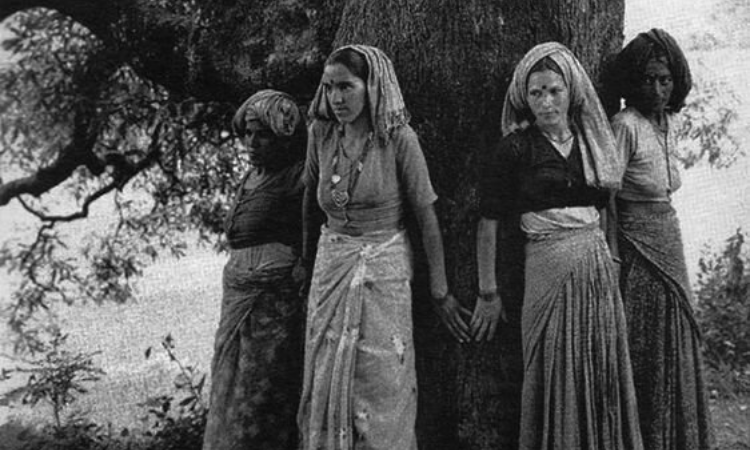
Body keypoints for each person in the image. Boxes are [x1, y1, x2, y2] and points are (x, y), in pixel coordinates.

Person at [296, 44, 469, 450]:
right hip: (331, 265)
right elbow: (309, 204)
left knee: (381, 379)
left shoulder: (397, 138)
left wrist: (440, 290)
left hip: (384, 268)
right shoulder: (321, 133)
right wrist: (306, 262)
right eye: (330, 88)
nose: (337, 98)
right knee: (326, 373)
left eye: (347, 87)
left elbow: (427, 217)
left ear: (371, 87)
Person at [474, 42, 643, 450]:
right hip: (546, 265)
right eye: (536, 93)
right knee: (552, 367)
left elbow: (606, 212)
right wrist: (488, 292)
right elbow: (488, 222)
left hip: (596, 268)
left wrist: (611, 259)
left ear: (571, 92)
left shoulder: (593, 145)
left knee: (599, 365)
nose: (546, 102)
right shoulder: (516, 148)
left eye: (554, 91)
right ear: (524, 98)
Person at [609, 29, 714, 450]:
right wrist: (614, 251)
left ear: (676, 81)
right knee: (646, 340)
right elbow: (608, 195)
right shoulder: (626, 125)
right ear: (633, 82)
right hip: (636, 244)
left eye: (665, 80)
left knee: (678, 330)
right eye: (648, 79)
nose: (656, 89)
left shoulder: (671, 122)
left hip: (669, 235)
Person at [202, 90, 306, 450]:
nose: (252, 142)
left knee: (262, 392)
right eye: (248, 133)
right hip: (239, 296)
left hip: (274, 305)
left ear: (282, 138)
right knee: (229, 386)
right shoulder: (249, 178)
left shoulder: (298, 177)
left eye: (262, 134)